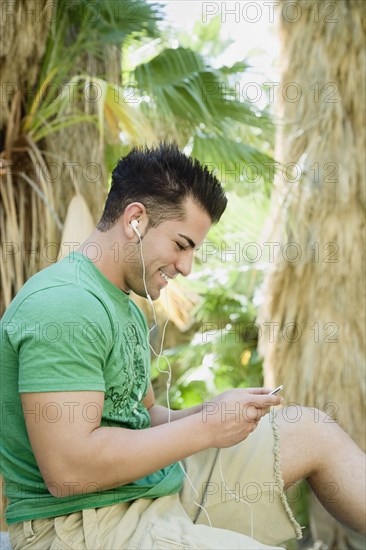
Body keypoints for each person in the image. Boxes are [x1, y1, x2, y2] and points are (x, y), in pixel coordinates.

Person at [0, 143, 365, 550]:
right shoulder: (65, 304)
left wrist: (213, 411)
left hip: (147, 492)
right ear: (135, 219)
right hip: (80, 527)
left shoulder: (124, 307)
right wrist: (207, 428)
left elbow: (143, 418)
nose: (187, 266)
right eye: (181, 244)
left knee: (310, 431)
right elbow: (68, 471)